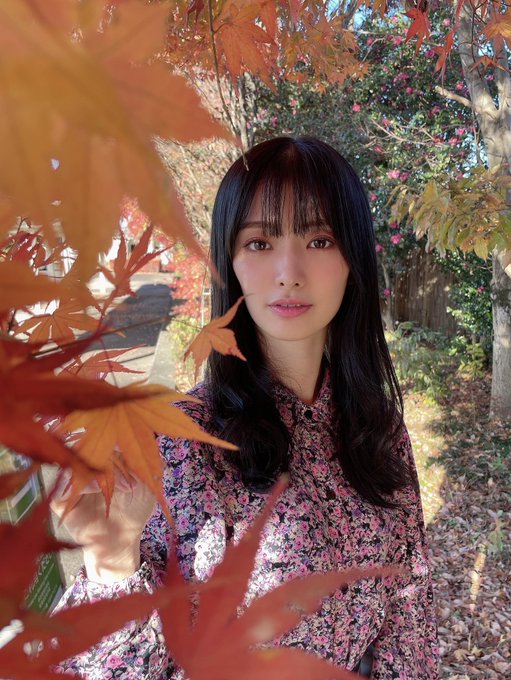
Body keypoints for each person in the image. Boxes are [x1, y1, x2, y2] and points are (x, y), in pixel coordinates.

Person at [52, 136, 439, 678]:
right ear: (228, 263)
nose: (289, 271)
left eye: (320, 239)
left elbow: (409, 607)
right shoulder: (183, 440)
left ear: (353, 258)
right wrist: (113, 560)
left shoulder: (378, 427)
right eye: (259, 242)